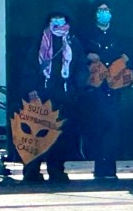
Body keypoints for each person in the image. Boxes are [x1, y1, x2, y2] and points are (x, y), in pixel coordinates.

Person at [20, 11, 88, 183]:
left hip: (63, 96)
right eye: (54, 20)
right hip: (41, 96)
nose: (58, 23)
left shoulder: (73, 42)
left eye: (61, 20)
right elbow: (30, 66)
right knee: (35, 135)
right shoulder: (39, 41)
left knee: (60, 137)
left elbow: (80, 67)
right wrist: (31, 88)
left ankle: (56, 170)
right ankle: (31, 171)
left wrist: (75, 89)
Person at [81, 0, 130, 180]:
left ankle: (109, 168)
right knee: (97, 126)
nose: (104, 13)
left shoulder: (117, 34)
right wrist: (88, 56)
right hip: (95, 89)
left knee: (112, 126)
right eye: (100, 10)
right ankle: (99, 166)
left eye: (107, 10)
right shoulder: (87, 35)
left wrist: (125, 59)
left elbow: (127, 55)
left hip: (114, 87)